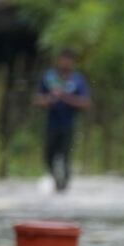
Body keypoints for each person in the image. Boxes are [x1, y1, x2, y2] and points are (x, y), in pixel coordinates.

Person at [36, 49, 91, 192]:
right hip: (51, 124)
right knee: (49, 154)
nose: (65, 63)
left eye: (68, 60)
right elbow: (38, 100)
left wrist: (65, 97)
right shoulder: (49, 77)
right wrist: (51, 98)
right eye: (63, 59)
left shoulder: (77, 80)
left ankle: (64, 186)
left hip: (68, 124)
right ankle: (55, 180)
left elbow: (86, 103)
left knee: (65, 155)